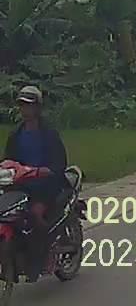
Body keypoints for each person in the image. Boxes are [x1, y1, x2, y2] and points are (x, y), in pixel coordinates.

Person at [4, 86, 68, 281]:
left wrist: (42, 171)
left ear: (38, 107)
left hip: (46, 187)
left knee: (35, 215)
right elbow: (8, 161)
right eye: (22, 105)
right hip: (21, 187)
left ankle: (42, 256)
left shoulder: (49, 134)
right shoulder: (15, 135)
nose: (25, 110)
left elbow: (59, 165)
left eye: (29, 105)